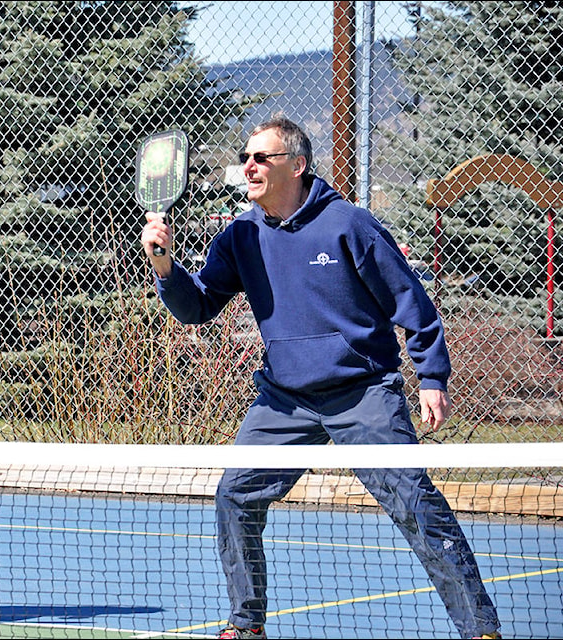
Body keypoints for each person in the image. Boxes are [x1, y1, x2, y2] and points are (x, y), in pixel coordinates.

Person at [140, 117, 501, 640]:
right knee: (235, 497)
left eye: (263, 158)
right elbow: (197, 309)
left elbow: (411, 302)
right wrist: (166, 267)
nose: (249, 166)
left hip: (363, 393)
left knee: (415, 504)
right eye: (246, 157)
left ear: (298, 165)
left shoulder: (348, 224)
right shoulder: (240, 235)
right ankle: (246, 626)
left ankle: (480, 630)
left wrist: (431, 376)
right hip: (284, 399)